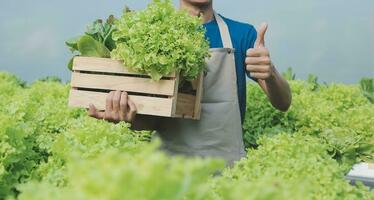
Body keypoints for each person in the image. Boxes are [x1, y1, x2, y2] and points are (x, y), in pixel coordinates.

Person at [88, 0, 292, 166]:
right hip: (170, 171)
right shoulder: (150, 35)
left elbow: (283, 103)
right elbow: (151, 119)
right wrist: (126, 117)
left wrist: (270, 72)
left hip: (228, 171)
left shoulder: (242, 34)